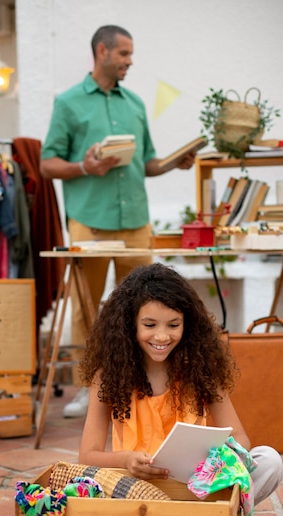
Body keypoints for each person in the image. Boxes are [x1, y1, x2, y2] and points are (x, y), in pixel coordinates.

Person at [40, 24, 195, 418]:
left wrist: (176, 162)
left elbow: (148, 163)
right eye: (124, 54)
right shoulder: (69, 102)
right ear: (102, 51)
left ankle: (142, 384)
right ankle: (85, 389)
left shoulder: (136, 104)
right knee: (87, 308)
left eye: (130, 54)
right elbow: (46, 164)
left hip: (136, 223)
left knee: (149, 306)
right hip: (88, 222)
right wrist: (84, 166)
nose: (130, 61)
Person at [78, 263, 283, 506]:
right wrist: (126, 460)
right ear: (129, 325)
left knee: (270, 460)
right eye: (150, 325)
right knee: (90, 485)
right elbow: (87, 456)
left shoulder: (200, 369)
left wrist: (215, 458)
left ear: (188, 325)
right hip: (135, 488)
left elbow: (240, 438)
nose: (162, 336)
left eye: (173, 325)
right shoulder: (109, 375)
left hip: (197, 486)